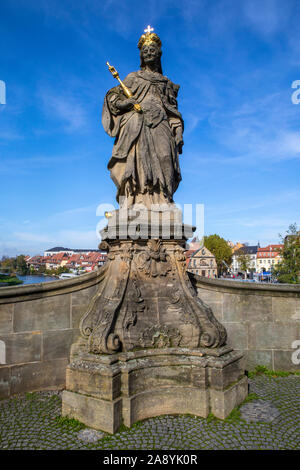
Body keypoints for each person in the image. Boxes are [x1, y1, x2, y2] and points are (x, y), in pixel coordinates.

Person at [102, 30, 184, 208]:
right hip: (137, 124)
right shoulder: (132, 78)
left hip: (161, 123)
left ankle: (164, 200)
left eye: (152, 50)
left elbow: (173, 111)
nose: (148, 53)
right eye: (145, 50)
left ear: (159, 53)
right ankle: (135, 200)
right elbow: (113, 97)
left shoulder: (166, 82)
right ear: (141, 54)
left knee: (165, 158)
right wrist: (128, 103)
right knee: (137, 163)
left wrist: (178, 132)